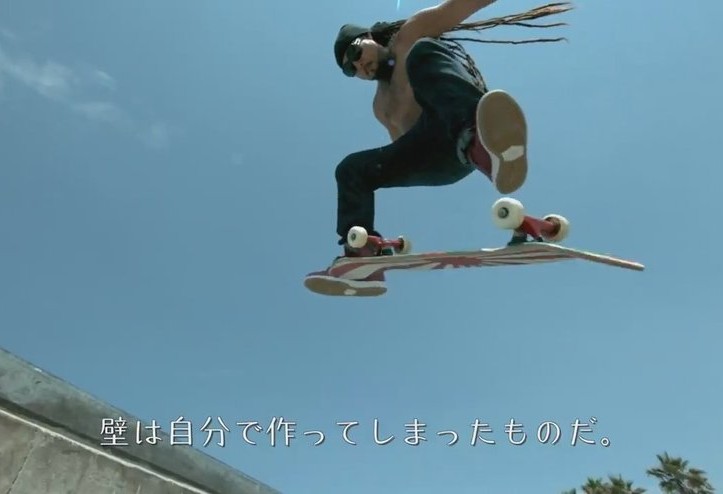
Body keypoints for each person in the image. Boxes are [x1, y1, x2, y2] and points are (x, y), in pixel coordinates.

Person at [305, 1, 571, 296]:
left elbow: (459, 7)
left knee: (422, 52)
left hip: (458, 124)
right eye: (349, 69)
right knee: (351, 169)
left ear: (369, 37)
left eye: (356, 53)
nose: (359, 66)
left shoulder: (410, 35)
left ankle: (484, 146)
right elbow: (402, 158)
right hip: (432, 156)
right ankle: (361, 256)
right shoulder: (381, 107)